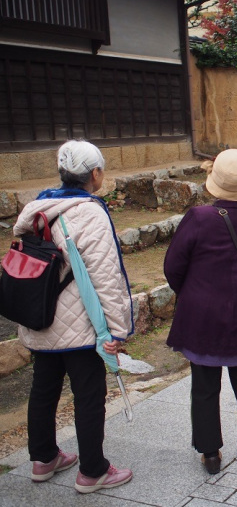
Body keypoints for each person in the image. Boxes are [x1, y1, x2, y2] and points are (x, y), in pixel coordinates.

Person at [13, 140, 133, 493]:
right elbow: (105, 276)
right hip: (80, 325)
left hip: (39, 315)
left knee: (44, 388)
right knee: (89, 394)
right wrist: (117, 330)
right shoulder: (90, 212)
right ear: (95, 174)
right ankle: (92, 471)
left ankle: (43, 458)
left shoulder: (35, 209)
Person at [164, 149, 237, 474]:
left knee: (205, 384)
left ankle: (210, 454)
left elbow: (173, 266)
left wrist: (192, 292)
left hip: (201, 314)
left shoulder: (197, 218)